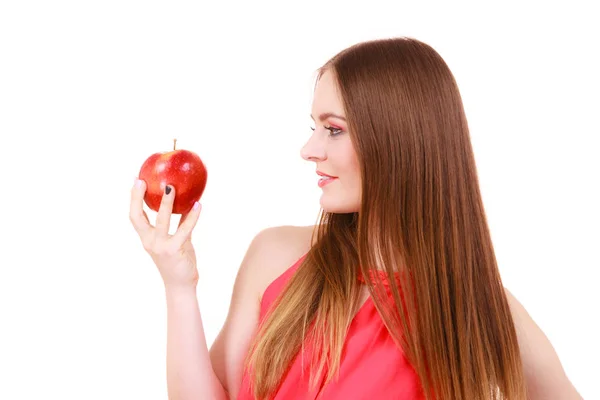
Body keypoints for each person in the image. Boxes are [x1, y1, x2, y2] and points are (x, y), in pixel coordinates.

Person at [129, 37, 582, 400]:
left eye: (334, 129)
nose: (309, 150)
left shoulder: (476, 307)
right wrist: (178, 286)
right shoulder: (275, 256)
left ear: (397, 141)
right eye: (315, 127)